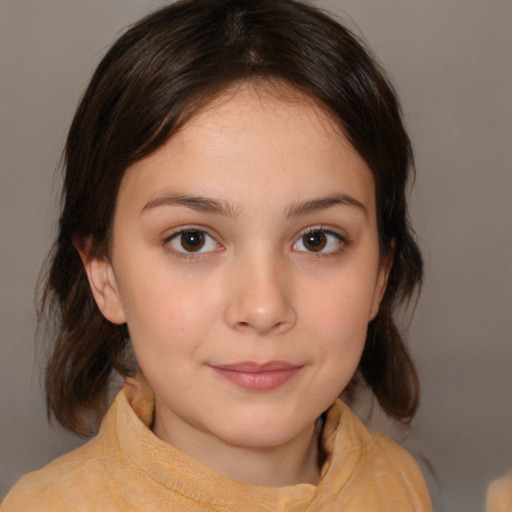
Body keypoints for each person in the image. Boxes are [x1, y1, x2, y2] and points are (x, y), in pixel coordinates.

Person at [1, 0, 432, 509]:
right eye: (192, 240)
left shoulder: (402, 485)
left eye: (316, 239)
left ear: (380, 275)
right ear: (105, 276)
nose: (263, 308)